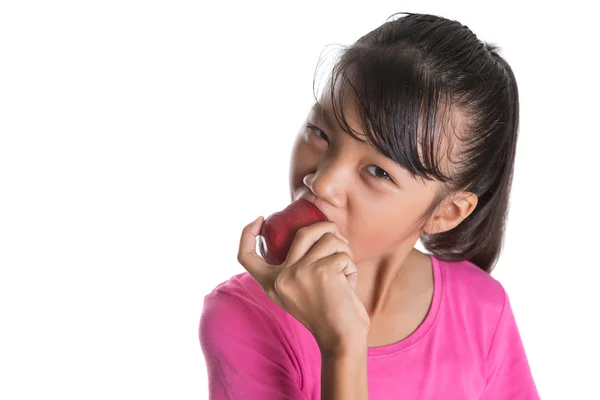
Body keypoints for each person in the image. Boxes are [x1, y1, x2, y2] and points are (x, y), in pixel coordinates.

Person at [198, 12, 540, 400]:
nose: (322, 181)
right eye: (319, 133)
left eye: (377, 171)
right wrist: (341, 347)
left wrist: (343, 344)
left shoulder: (483, 311)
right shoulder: (243, 316)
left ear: (446, 212)